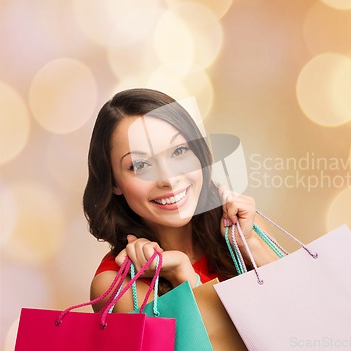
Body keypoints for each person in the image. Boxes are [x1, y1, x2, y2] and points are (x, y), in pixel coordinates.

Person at [85, 88, 277, 312]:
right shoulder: (117, 286)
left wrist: (249, 244)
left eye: (178, 151)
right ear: (113, 182)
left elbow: (307, 311)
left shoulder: (245, 230)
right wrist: (184, 277)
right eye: (140, 165)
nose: (169, 178)